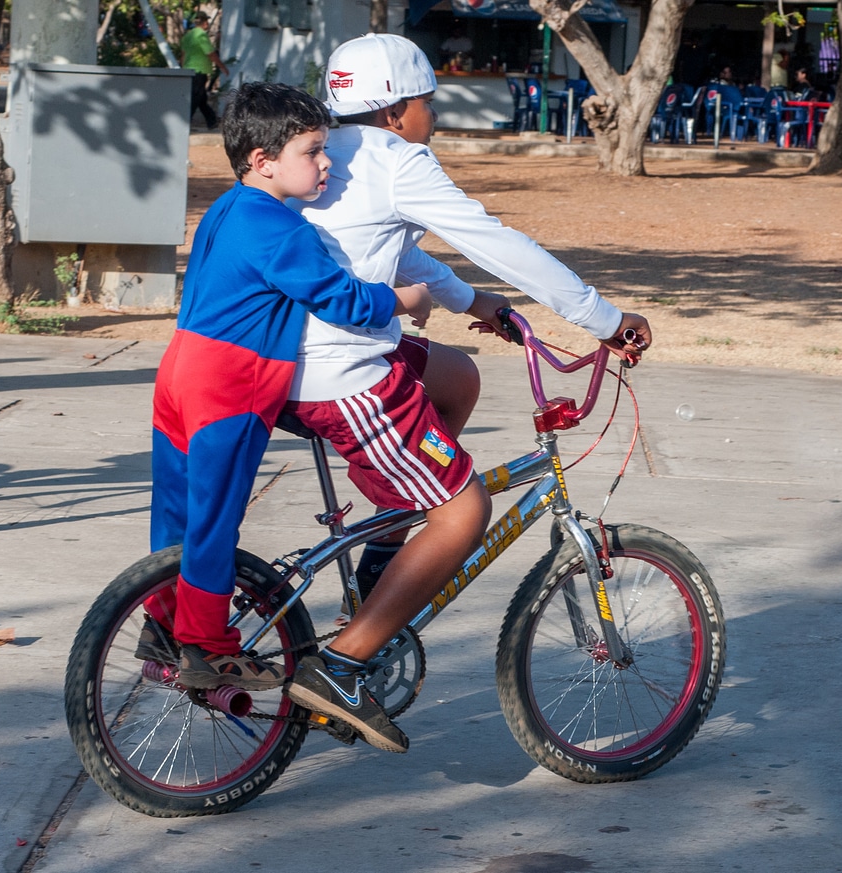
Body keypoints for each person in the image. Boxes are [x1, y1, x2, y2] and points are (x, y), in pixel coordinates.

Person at [282, 33, 651, 753]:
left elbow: (387, 246)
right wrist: (601, 319)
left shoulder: (330, 150)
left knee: (456, 378)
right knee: (466, 509)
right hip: (337, 372)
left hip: (294, 356)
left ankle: (386, 557)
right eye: (429, 103)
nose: (433, 118)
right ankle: (343, 662)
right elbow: (493, 237)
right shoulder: (397, 160)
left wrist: (472, 302)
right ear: (395, 111)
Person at [147, 82, 431, 692]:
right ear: (263, 161)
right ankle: (208, 649)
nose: (326, 162)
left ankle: (162, 624)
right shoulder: (282, 228)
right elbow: (343, 300)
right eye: (313, 150)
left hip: (179, 368)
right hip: (232, 384)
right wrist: (405, 298)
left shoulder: (226, 209)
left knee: (176, 510)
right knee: (215, 521)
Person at [180, 11, 230, 130]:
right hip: (199, 70)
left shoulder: (188, 36)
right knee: (196, 98)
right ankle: (185, 123)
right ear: (203, 22)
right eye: (206, 21)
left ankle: (212, 121)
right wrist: (222, 67)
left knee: (201, 98)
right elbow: (210, 53)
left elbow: (182, 54)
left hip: (189, 70)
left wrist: (182, 70)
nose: (207, 23)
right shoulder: (201, 35)